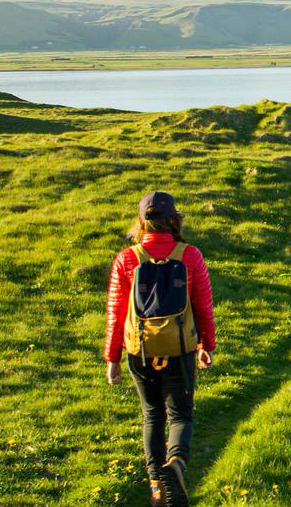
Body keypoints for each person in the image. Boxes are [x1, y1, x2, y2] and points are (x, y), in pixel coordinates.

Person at [102, 191, 217, 506]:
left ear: (142, 221)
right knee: (180, 414)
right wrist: (207, 344)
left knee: (152, 414)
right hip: (179, 347)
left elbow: (115, 313)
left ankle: (157, 487)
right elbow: (203, 306)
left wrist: (112, 358)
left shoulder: (127, 259)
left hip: (139, 349)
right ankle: (176, 465)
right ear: (174, 219)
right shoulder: (190, 255)